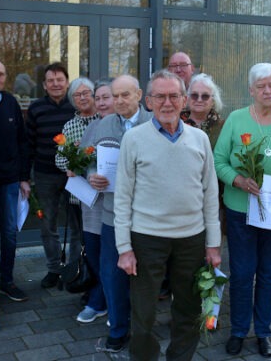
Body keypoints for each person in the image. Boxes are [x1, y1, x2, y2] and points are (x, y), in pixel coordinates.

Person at [114, 70, 221, 360]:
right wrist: (124, 248)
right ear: (148, 101)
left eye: (174, 95)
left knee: (188, 310)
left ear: (184, 100)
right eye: (160, 96)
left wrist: (213, 244)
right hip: (147, 239)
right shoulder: (133, 140)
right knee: (144, 313)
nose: (167, 102)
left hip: (191, 239)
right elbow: (122, 197)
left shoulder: (199, 140)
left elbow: (210, 194)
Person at [214, 63, 271, 358]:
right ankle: (239, 330)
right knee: (241, 272)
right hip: (240, 210)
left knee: (269, 274)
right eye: (261, 85)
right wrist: (237, 179)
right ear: (251, 90)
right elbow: (218, 161)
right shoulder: (237, 120)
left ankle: (263, 331)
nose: (268, 90)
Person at [80, 74, 152, 352]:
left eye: (126, 95)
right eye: (116, 95)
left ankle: (143, 329)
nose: (120, 101)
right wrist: (91, 176)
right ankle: (119, 329)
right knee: (112, 274)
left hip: (146, 216)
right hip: (111, 214)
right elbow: (89, 162)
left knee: (145, 276)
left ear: (139, 94)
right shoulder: (103, 125)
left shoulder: (154, 124)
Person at [54, 77, 104, 322]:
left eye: (87, 93)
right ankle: (91, 287)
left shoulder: (105, 119)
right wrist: (71, 165)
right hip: (80, 197)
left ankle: (100, 293)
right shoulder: (69, 126)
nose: (83, 98)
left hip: (105, 195)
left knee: (104, 246)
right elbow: (60, 160)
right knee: (86, 245)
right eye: (77, 95)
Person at [27, 62, 77, 289]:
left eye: (60, 80)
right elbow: (28, 143)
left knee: (77, 224)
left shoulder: (77, 105)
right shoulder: (36, 108)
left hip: (74, 176)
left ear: (67, 82)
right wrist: (25, 176)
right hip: (45, 175)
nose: (56, 84)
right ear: (44, 85)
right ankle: (54, 268)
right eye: (51, 81)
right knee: (48, 225)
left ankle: (76, 267)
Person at [0, 59, 31, 302]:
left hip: (11, 180)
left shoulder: (11, 102)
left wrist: (24, 177)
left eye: (0, 74)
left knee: (10, 233)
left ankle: (7, 281)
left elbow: (22, 141)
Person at [181, 73, 225, 147]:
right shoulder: (176, 124)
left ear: (213, 101)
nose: (199, 100)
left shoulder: (223, 127)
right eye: (194, 95)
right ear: (187, 99)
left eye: (205, 96)